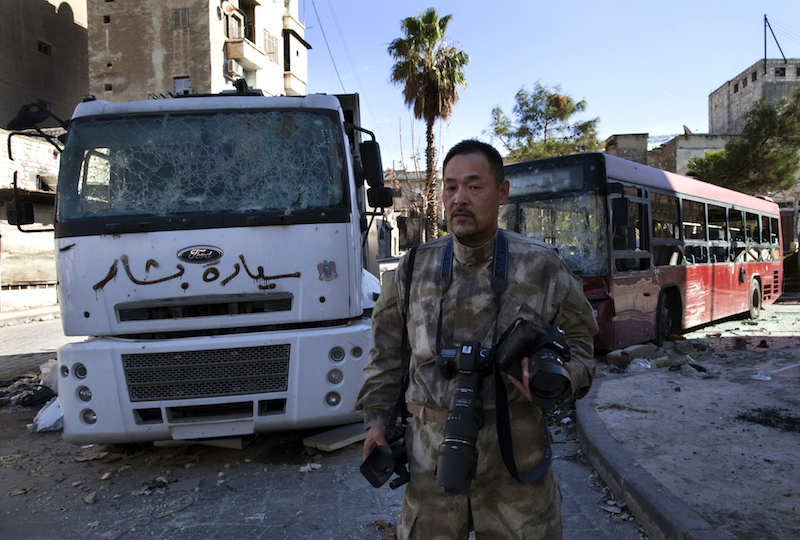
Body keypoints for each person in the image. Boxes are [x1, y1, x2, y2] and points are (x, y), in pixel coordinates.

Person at [356, 140, 598, 539]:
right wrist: (376, 423)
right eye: (450, 188)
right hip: (430, 463)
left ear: (502, 192)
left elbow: (585, 353)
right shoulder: (413, 268)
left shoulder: (544, 267)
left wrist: (560, 377)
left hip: (516, 465)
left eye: (474, 186)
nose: (459, 199)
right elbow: (386, 358)